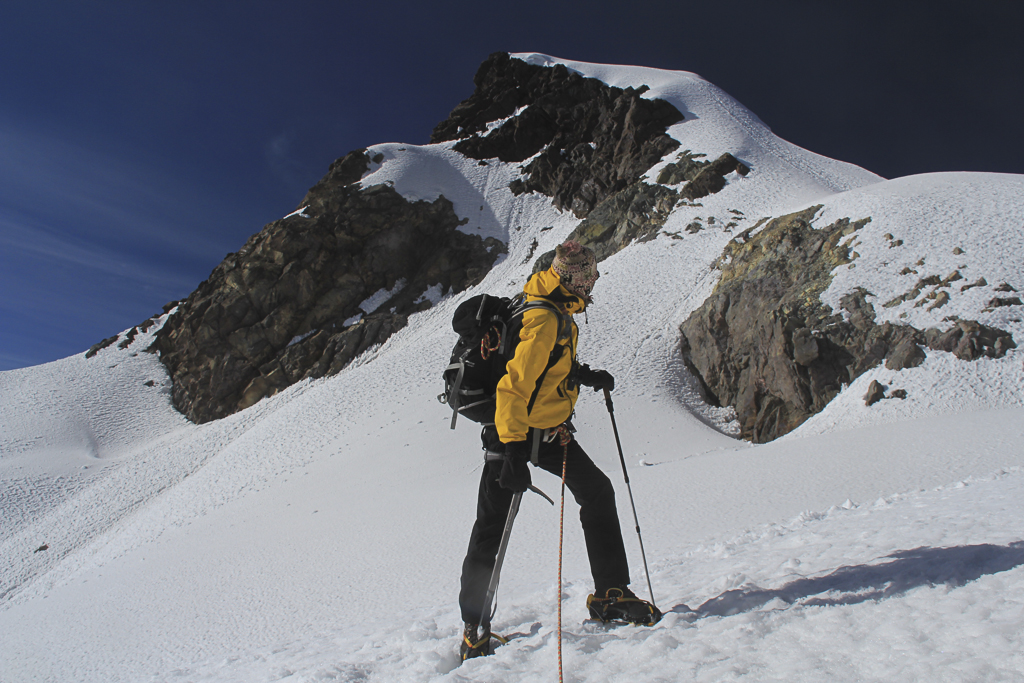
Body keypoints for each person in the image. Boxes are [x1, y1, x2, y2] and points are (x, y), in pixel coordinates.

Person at [458, 240, 660, 660]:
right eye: (590, 275)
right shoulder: (544, 318)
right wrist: (513, 452)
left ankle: (611, 592)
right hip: (513, 435)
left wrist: (583, 375)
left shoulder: (553, 307)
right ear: (573, 278)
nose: (595, 282)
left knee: (596, 492)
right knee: (494, 524)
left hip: (547, 432)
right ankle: (473, 630)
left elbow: (546, 368)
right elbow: (513, 388)